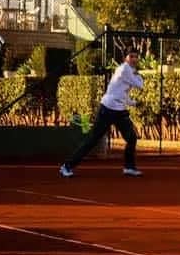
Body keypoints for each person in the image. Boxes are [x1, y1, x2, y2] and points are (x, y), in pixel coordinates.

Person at [60, 49, 144, 177]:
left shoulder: (128, 72)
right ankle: (67, 166)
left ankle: (129, 167)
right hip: (108, 109)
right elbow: (139, 85)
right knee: (93, 139)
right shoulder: (125, 69)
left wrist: (133, 103)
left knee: (131, 138)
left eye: (136, 57)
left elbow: (122, 93)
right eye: (131, 56)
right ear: (125, 58)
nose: (134, 59)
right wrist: (138, 74)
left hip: (120, 110)